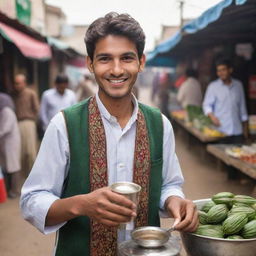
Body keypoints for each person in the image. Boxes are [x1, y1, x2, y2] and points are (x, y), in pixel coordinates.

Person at [20, 13, 198, 256]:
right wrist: (79, 204)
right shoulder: (64, 124)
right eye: (105, 59)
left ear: (141, 62)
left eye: (127, 58)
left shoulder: (160, 124)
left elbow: (169, 184)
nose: (116, 70)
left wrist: (174, 201)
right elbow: (32, 200)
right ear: (90, 64)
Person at [203, 59, 249, 144]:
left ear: (230, 70)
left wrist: (245, 131)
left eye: (223, 70)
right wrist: (212, 117)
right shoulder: (213, 87)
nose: (221, 73)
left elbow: (243, 109)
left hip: (237, 131)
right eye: (219, 71)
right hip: (221, 131)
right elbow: (206, 105)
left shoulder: (238, 85)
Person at [13, 74, 39, 177]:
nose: (16, 85)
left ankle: (33, 176)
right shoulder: (13, 95)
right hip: (17, 124)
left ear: (24, 83)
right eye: (15, 83)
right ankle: (23, 177)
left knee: (30, 152)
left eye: (18, 83)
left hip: (29, 123)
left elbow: (37, 109)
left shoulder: (31, 93)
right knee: (20, 153)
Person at [0, 94, 21, 198]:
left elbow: (5, 128)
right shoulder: (3, 111)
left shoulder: (6, 111)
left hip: (10, 143)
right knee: (7, 166)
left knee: (13, 166)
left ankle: (15, 190)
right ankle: (9, 190)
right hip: (6, 143)